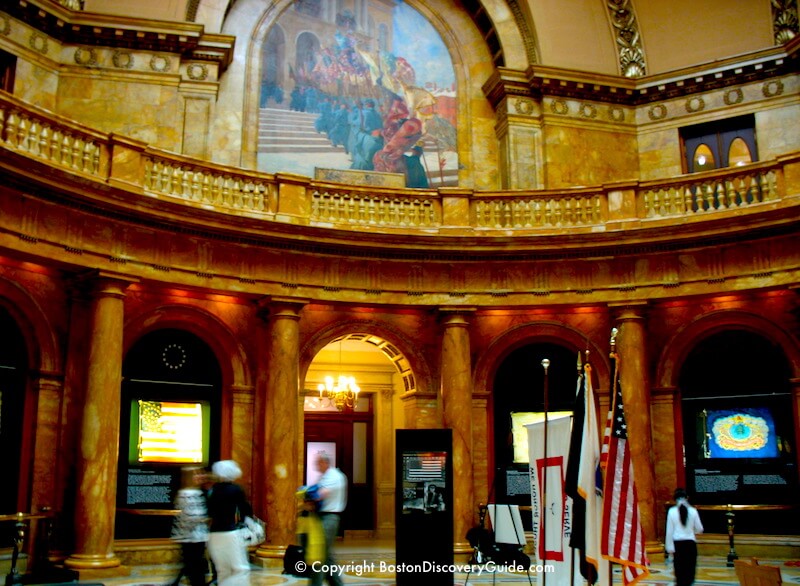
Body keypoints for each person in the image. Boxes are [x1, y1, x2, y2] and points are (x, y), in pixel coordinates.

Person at [206, 460, 252, 586]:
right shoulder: (236, 489)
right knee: (241, 569)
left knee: (222, 570)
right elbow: (245, 510)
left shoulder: (213, 490)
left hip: (213, 535)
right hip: (230, 533)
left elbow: (209, 511)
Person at [310, 452, 347, 586]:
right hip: (322, 517)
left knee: (319, 555)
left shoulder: (334, 476)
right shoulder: (325, 476)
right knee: (327, 556)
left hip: (329, 518)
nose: (316, 465)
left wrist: (306, 494)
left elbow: (318, 495)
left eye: (317, 462)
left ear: (324, 463)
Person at [170, 467, 210, 586]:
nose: (201, 476)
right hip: (190, 537)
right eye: (196, 474)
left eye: (201, 473)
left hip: (199, 536)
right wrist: (206, 518)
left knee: (193, 565)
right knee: (194, 566)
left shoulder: (199, 492)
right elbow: (191, 515)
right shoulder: (185, 494)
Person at [666, 488, 704, 586]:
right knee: (689, 571)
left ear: (675, 499)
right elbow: (700, 529)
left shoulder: (671, 511)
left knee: (680, 572)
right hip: (690, 544)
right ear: (687, 498)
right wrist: (691, 531)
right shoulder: (693, 511)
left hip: (677, 545)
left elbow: (669, 531)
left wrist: (669, 549)